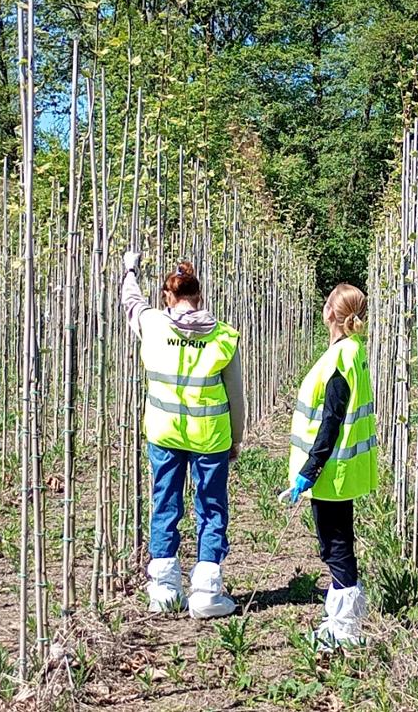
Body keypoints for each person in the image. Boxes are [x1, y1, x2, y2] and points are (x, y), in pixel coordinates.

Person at [121, 251, 243, 619]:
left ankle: (164, 588)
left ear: (167, 296)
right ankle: (206, 591)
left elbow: (130, 300)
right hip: (210, 437)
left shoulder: (155, 325)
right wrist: (236, 437)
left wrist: (130, 268)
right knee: (211, 508)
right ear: (200, 296)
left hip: (164, 434)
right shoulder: (223, 336)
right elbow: (236, 395)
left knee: (165, 504)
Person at [278, 283, 377, 648]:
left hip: (332, 470)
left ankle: (344, 627)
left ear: (329, 314)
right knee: (338, 543)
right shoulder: (353, 351)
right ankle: (341, 620)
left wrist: (309, 472)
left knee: (334, 546)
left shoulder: (340, 359)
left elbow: (331, 421)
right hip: (342, 469)